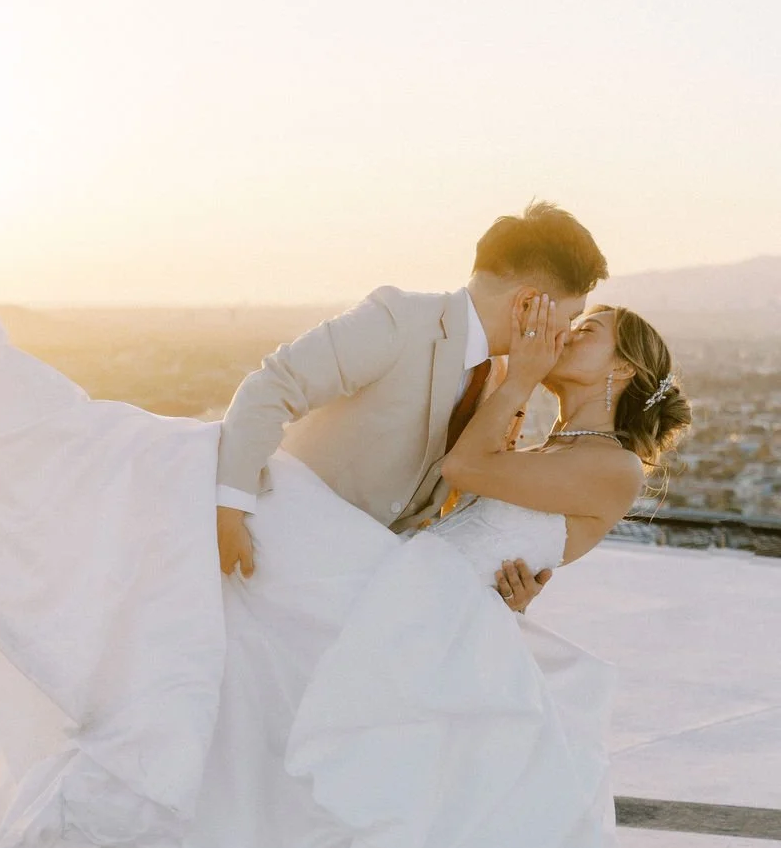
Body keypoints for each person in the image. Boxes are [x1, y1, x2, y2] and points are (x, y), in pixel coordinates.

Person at [0, 250, 690, 848]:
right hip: (413, 597)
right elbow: (476, 512)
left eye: (587, 329)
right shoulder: (547, 433)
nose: (562, 332)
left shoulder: (611, 461)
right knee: (243, 685)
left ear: (622, 366)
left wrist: (518, 390)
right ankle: (18, 424)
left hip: (426, 619)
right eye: (565, 317)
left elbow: (471, 480)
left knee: (330, 766)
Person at [215, 200, 609, 612]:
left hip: (359, 586)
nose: (566, 336)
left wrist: (499, 583)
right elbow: (273, 386)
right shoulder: (400, 320)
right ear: (527, 304)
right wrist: (229, 510)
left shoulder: (501, 383)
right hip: (270, 550)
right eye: (569, 318)